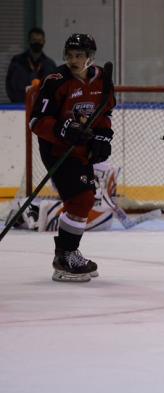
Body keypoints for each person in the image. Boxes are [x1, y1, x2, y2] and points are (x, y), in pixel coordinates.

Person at [29, 33, 116, 282]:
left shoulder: (102, 80)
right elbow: (37, 121)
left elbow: (104, 114)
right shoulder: (56, 81)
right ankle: (65, 257)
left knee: (83, 202)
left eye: (79, 55)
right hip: (58, 149)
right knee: (81, 199)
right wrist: (63, 129)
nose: (73, 60)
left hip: (83, 149)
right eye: (70, 55)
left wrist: (103, 136)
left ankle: (67, 254)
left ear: (90, 57)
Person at [5, 27, 57, 103]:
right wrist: (17, 102)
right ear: (29, 41)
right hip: (21, 106)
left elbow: (55, 87)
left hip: (42, 108)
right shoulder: (17, 61)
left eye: (40, 41)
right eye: (34, 40)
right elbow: (9, 85)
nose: (37, 43)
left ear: (44, 41)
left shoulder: (50, 64)